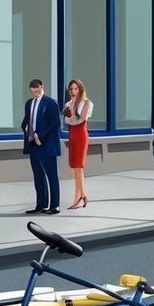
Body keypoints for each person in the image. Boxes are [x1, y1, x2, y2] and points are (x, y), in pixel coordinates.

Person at [21, 78, 61, 214]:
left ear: (42, 87)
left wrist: (40, 136)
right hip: (33, 144)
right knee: (38, 175)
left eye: (38, 90)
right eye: (34, 91)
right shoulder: (29, 103)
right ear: (31, 90)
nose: (36, 92)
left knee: (52, 175)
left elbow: (55, 123)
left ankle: (54, 205)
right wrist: (25, 129)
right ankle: (41, 205)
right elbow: (27, 119)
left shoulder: (51, 103)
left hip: (47, 144)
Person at [62, 78, 93, 209]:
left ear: (80, 89)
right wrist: (70, 119)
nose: (73, 91)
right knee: (75, 167)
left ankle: (80, 197)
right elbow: (66, 120)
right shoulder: (68, 104)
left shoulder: (87, 103)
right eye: (71, 89)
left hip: (81, 135)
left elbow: (80, 120)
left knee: (79, 166)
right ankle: (81, 196)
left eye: (76, 88)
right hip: (72, 135)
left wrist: (70, 119)